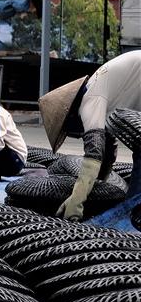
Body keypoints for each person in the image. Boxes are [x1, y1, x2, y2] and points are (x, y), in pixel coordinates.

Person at [39, 49, 141, 221]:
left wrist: (76, 202)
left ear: (69, 116)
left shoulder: (90, 100)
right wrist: (99, 187)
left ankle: (133, 216)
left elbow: (94, 155)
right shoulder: (100, 93)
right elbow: (108, 149)